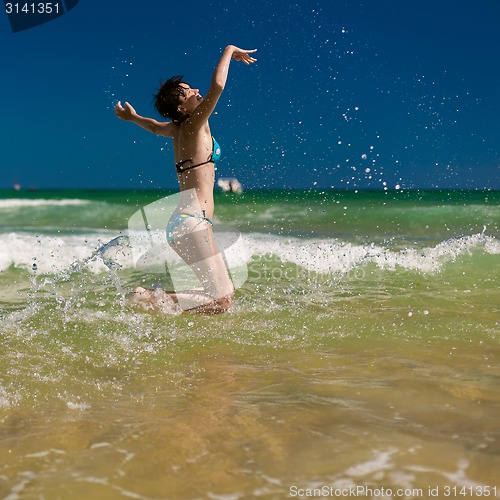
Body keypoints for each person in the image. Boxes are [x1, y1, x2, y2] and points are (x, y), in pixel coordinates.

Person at [114, 45, 257, 314]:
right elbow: (217, 86)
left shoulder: (176, 130)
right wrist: (229, 51)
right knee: (222, 299)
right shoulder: (194, 123)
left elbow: (154, 126)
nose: (195, 91)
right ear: (181, 106)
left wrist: (132, 118)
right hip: (192, 222)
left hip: (184, 223)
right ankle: (145, 297)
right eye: (187, 91)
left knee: (219, 299)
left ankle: (159, 306)